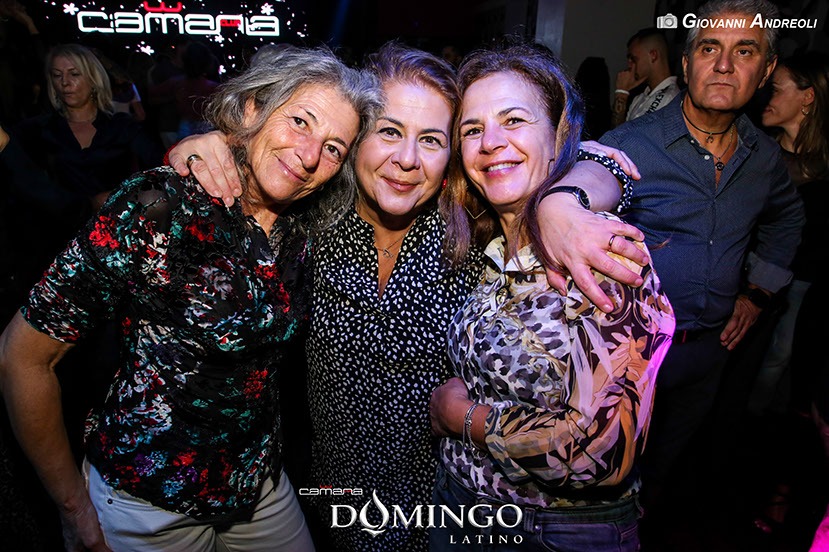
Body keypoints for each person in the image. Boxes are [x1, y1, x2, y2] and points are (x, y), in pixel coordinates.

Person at [167, 42, 650, 550]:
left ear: (451, 156)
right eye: (389, 131)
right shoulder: (310, 221)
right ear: (355, 139)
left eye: (432, 139)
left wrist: (564, 202)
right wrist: (214, 144)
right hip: (335, 497)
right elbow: (260, 166)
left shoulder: (474, 228)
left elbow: (586, 158)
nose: (406, 160)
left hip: (442, 509)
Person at [0, 45, 382, 552]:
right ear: (253, 107)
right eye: (299, 122)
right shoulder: (160, 205)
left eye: (334, 148)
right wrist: (72, 507)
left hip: (258, 485)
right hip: (148, 500)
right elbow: (22, 357)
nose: (310, 155)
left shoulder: (309, 227)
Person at [562, 0, 805, 542]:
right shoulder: (630, 146)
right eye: (709, 48)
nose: (724, 65)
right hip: (628, 360)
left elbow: (788, 218)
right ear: (687, 62)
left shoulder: (763, 157)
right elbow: (577, 206)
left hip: (707, 353)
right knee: (599, 482)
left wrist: (759, 292)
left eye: (745, 51)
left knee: (660, 478)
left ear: (766, 70)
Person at [428, 42, 675, 551]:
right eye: (472, 129)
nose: (490, 142)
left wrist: (467, 419)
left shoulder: (599, 252)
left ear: (559, 134)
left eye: (514, 120)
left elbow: (601, 452)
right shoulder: (490, 243)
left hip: (555, 530)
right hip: (460, 504)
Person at [0, 43, 163, 296]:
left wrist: (124, 198)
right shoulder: (35, 130)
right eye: (57, 75)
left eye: (74, 74)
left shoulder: (123, 128)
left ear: (93, 78)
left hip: (112, 245)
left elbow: (160, 171)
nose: (65, 82)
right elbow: (21, 177)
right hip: (55, 244)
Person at [748, 51, 829, 537]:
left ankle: (778, 488)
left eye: (776, 87)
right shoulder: (760, 153)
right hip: (757, 289)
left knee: (792, 391)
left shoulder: (825, 164)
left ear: (808, 97)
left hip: (812, 295)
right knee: (757, 386)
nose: (765, 95)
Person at [612, 28, 680, 128]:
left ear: (653, 56)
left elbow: (633, 137)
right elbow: (618, 134)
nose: (630, 65)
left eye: (633, 59)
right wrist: (622, 93)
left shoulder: (670, 99)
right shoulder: (639, 98)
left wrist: (621, 94)